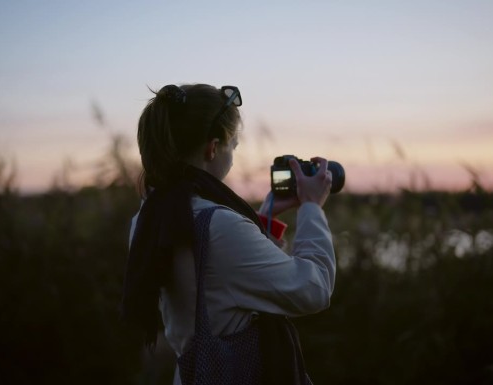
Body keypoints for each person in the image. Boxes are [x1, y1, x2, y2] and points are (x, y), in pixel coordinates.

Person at [121, 84, 335, 385]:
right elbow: (314, 289)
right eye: (233, 145)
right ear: (212, 148)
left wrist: (265, 217)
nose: (233, 154)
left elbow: (218, 276)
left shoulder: (148, 218)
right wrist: (311, 208)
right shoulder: (219, 227)